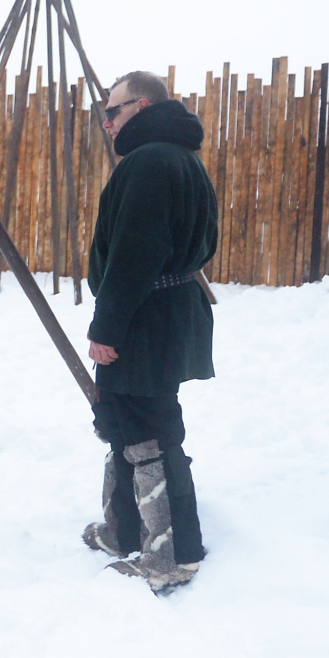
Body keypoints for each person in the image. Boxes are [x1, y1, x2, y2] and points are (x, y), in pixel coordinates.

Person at [82, 69, 218, 593]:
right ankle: (126, 531)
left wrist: (107, 326)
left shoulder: (152, 162)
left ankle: (174, 553)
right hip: (159, 312)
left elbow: (136, 256)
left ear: (140, 107)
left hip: (146, 317)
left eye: (112, 112)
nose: (107, 123)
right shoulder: (173, 158)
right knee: (122, 420)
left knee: (150, 432)